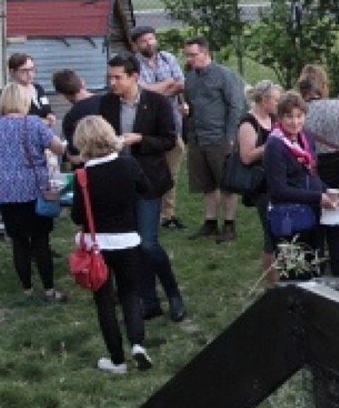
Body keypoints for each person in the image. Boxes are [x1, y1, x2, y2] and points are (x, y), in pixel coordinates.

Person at [96, 53, 187, 321]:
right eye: (109, 77)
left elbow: (169, 140)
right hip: (120, 182)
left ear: (134, 77)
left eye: (117, 77)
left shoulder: (157, 102)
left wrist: (140, 140)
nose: (112, 83)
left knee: (147, 243)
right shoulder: (107, 104)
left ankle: (173, 293)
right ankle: (148, 300)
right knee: (132, 245)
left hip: (148, 180)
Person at [69, 115, 153, 374]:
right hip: (128, 240)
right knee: (130, 294)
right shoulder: (129, 165)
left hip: (98, 246)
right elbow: (147, 189)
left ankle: (117, 360)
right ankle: (138, 344)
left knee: (104, 301)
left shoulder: (83, 175)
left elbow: (77, 217)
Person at [0, 82, 68, 302]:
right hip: (33, 190)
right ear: (24, 101)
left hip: (6, 192)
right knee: (40, 241)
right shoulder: (34, 123)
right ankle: (49, 291)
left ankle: (27, 291)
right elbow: (58, 147)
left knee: (19, 242)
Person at [179, 37, 245, 244]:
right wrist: (185, 113)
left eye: (193, 55)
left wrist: (231, 136)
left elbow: (236, 106)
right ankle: (209, 223)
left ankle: (229, 224)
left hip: (219, 137)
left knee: (226, 184)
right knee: (206, 184)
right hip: (198, 138)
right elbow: (189, 106)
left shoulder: (224, 75)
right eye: (187, 55)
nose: (190, 59)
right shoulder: (189, 79)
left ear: (206, 53)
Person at [262, 92, 333, 280]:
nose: (295, 122)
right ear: (280, 117)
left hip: (311, 212)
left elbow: (310, 174)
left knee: (314, 265)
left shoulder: (305, 137)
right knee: (294, 271)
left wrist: (327, 191)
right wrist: (317, 197)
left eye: (299, 116)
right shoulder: (275, 146)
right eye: (289, 117)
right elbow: (279, 190)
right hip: (289, 216)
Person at [299, 65, 339, 279]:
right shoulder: (336, 107)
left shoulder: (297, 111)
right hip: (336, 170)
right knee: (337, 230)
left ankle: (315, 277)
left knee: (314, 230)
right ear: (323, 85)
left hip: (310, 169)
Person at [130, 26, 187, 230]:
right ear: (136, 44)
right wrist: (167, 84)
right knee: (147, 172)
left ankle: (167, 214)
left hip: (171, 126)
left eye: (152, 38)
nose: (150, 43)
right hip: (147, 130)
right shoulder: (134, 65)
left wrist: (159, 89)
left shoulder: (167, 58)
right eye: (144, 41)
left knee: (172, 172)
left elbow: (181, 84)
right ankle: (146, 212)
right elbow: (141, 91)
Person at [236, 81, 281, 288]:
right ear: (265, 101)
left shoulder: (273, 119)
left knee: (279, 233)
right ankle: (271, 285)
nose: (278, 104)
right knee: (270, 236)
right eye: (276, 100)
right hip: (261, 186)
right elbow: (246, 157)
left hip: (276, 182)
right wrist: (271, 143)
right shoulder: (248, 123)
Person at [0, 51, 54, 122]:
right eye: (24, 71)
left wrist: (50, 115)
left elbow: (46, 107)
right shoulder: (7, 93)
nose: (30, 74)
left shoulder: (38, 88)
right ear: (12, 72)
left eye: (32, 69)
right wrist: (41, 122)